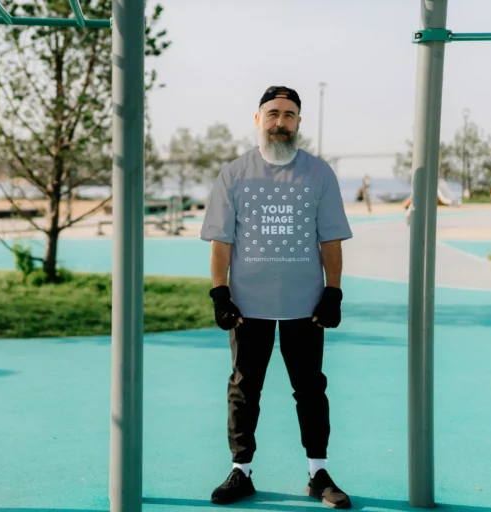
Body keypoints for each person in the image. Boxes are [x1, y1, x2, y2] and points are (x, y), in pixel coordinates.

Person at [199, 85, 353, 509]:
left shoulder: (319, 174)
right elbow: (221, 241)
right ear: (258, 120)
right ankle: (241, 471)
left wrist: (333, 292)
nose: (280, 122)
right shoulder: (234, 174)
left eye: (288, 115)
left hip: (305, 306)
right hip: (249, 307)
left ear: (298, 121)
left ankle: (318, 473)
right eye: (272, 114)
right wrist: (220, 293)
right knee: (245, 388)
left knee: (311, 389)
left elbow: (331, 239)